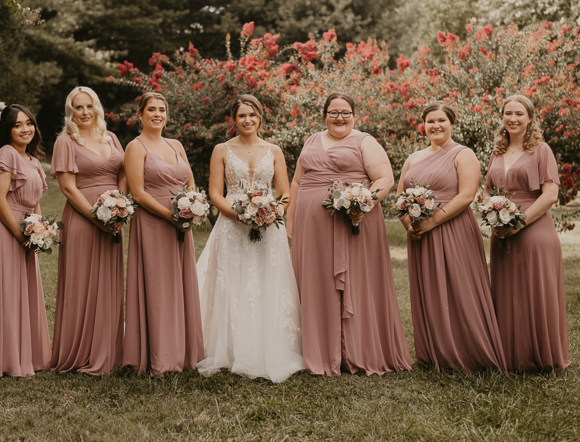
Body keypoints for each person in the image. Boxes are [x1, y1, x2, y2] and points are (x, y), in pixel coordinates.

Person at [287, 92, 412, 376]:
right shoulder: (311, 140)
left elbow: (385, 179)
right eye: (333, 112)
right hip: (312, 227)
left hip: (353, 222)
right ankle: (315, 350)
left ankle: (353, 350)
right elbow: (297, 181)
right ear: (324, 115)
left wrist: (363, 204)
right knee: (315, 280)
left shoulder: (364, 141)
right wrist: (291, 220)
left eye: (345, 112)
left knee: (355, 279)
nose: (339, 117)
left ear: (354, 115)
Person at [195, 95, 304, 382]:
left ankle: (269, 346)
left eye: (252, 115)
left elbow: (283, 192)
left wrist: (272, 213)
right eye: (242, 116)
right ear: (234, 119)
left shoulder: (274, 150)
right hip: (232, 226)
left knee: (266, 281)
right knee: (233, 281)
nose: (247, 120)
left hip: (269, 228)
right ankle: (231, 348)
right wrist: (240, 215)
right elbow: (215, 193)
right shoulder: (222, 149)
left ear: (260, 118)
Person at [397, 101, 506, 374]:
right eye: (430, 121)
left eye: (441, 120)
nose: (435, 125)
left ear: (451, 123)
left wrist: (432, 221)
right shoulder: (414, 157)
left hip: (452, 228)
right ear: (423, 125)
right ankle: (435, 352)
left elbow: (467, 196)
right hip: (419, 233)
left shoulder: (463, 154)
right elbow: (400, 197)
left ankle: (469, 351)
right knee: (429, 288)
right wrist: (410, 225)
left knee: (460, 287)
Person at [484, 94, 569, 372]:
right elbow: (487, 191)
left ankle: (541, 356)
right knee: (507, 290)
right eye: (508, 113)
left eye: (519, 114)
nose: (513, 118)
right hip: (501, 230)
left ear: (530, 118)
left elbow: (550, 194)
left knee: (535, 290)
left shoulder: (541, 150)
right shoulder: (497, 151)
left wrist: (518, 222)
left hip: (533, 230)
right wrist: (493, 215)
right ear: (502, 117)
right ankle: (511, 355)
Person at [122, 92, 204, 375]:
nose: (157, 114)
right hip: (154, 222)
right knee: (158, 288)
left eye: (162, 110)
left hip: (182, 222)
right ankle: (161, 356)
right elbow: (138, 192)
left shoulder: (176, 144)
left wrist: (191, 207)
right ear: (141, 115)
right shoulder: (136, 147)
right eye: (152, 110)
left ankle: (184, 352)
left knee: (180, 284)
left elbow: (190, 181)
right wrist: (170, 215)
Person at [48, 87, 127, 375]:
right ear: (70, 111)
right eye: (78, 107)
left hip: (114, 217)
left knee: (109, 282)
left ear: (97, 108)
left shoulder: (112, 138)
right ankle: (79, 352)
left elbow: (123, 174)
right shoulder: (65, 142)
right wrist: (97, 218)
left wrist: (121, 207)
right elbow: (68, 187)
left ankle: (108, 350)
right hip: (83, 219)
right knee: (82, 283)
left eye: (89, 106)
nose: (84, 112)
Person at [0, 104, 51, 377]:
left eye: (28, 123)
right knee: (4, 289)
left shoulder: (33, 161)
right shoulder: (6, 154)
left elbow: (36, 201)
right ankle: (0, 357)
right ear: (8, 130)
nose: (25, 129)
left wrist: (39, 232)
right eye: (17, 125)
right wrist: (20, 234)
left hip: (27, 228)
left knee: (24, 289)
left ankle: (26, 353)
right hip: (6, 226)